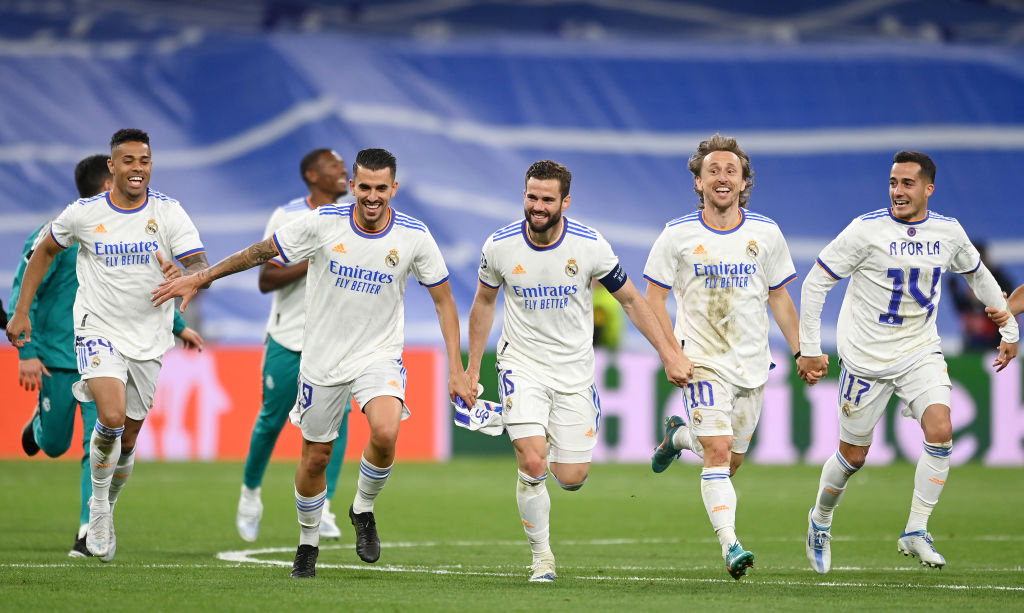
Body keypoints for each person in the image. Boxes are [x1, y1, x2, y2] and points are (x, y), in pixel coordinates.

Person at [152, 148, 475, 579]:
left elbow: (444, 300)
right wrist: (200, 276)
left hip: (378, 355)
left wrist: (457, 367)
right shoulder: (324, 223)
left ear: (393, 188)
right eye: (365, 187)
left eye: (382, 188)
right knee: (316, 457)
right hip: (321, 359)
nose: (373, 196)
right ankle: (307, 543)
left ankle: (362, 509)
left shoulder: (415, 235)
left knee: (385, 429)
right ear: (353, 188)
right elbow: (259, 253)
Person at [466, 160, 689, 583]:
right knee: (533, 461)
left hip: (573, 373)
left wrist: (669, 353)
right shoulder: (499, 245)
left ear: (565, 201)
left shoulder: (591, 246)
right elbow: (483, 303)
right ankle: (542, 560)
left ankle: (518, 419)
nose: (537, 205)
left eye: (547, 199)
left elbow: (632, 301)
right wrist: (471, 368)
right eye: (531, 196)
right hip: (521, 364)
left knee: (571, 478)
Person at [797, 150, 1018, 575]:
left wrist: (1009, 329)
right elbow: (817, 281)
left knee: (941, 429)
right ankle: (821, 519)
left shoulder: (948, 232)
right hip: (865, 360)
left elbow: (978, 275)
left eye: (907, 183)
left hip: (919, 352)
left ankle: (916, 529)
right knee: (853, 456)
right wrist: (809, 347)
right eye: (894, 183)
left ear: (928, 189)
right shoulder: (865, 230)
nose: (897, 191)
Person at [6, 129, 209, 562]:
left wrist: (188, 287)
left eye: (145, 160)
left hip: (147, 340)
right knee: (104, 422)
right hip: (86, 337)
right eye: (129, 161)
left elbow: (191, 265)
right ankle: (95, 511)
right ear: (111, 169)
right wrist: (21, 324)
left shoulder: (168, 212)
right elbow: (39, 258)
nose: (139, 168)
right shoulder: (80, 216)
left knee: (126, 437)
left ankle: (102, 509)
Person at [643, 134, 808, 580]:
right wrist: (670, 354)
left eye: (730, 171)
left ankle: (677, 439)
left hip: (752, 365)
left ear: (744, 181)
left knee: (730, 461)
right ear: (698, 181)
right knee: (717, 452)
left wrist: (800, 350)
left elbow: (780, 299)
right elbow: (652, 301)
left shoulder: (766, 234)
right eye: (712, 170)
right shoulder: (676, 235)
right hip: (700, 360)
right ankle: (731, 546)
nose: (722, 178)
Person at [236, 149, 353, 543]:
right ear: (310, 174)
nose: (343, 171)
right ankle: (250, 493)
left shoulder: (354, 216)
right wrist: (316, 258)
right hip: (290, 336)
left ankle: (326, 504)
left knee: (337, 424)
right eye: (334, 165)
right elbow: (265, 279)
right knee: (271, 420)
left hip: (335, 340)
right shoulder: (287, 216)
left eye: (343, 166)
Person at [946, 244, 1013, 351]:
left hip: (995, 338)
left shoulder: (999, 278)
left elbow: (1007, 303)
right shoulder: (965, 276)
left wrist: (982, 299)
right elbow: (962, 307)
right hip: (972, 338)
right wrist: (954, 292)